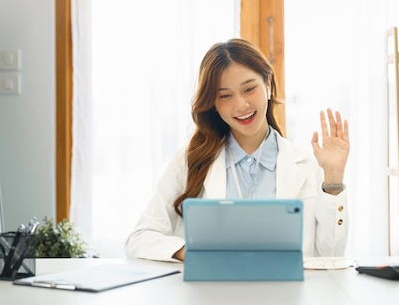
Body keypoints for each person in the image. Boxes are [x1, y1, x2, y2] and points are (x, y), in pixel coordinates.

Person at [125, 38, 350, 262]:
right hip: (213, 296)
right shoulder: (190, 161)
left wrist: (333, 178)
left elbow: (330, 258)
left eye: (249, 89)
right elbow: (139, 238)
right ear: (213, 103)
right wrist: (193, 252)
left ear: (268, 85)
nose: (241, 105)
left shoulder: (306, 166)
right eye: (225, 95)